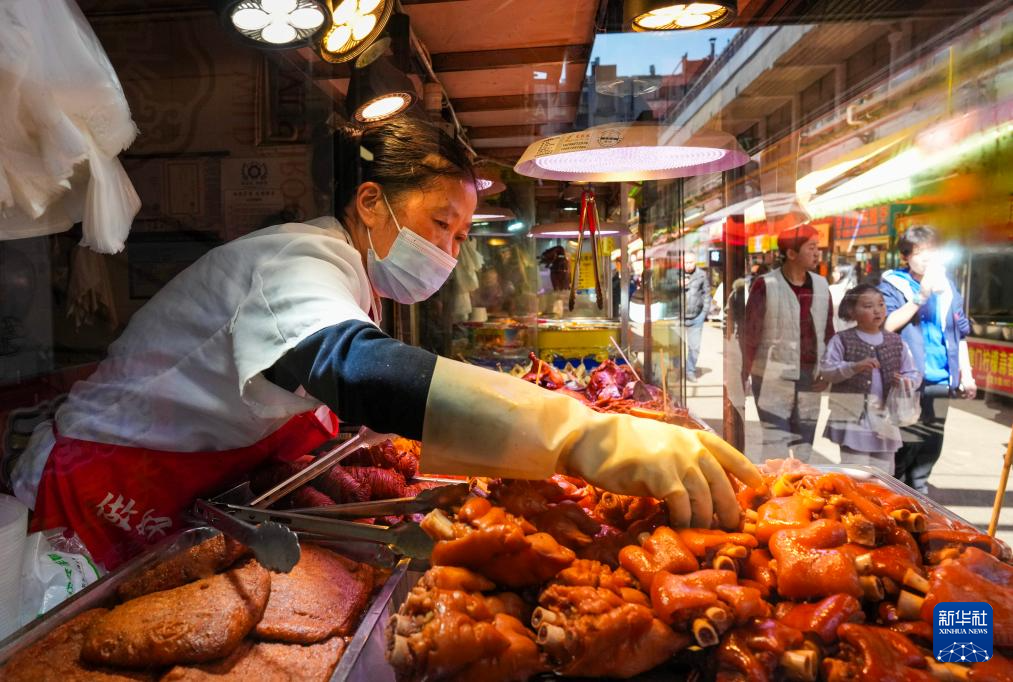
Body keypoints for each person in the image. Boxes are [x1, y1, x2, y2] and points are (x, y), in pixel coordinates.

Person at [6, 117, 760, 568]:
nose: (450, 250)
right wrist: (580, 434)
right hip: (104, 482)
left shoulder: (350, 274)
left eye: (460, 236)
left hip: (188, 477)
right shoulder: (295, 260)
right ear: (370, 201)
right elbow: (352, 367)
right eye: (440, 224)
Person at [878, 226, 975, 493]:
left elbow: (959, 334)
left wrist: (966, 374)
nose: (927, 257)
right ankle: (896, 500)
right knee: (904, 448)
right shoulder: (892, 285)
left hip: (939, 380)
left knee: (930, 448)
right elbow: (887, 324)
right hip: (906, 383)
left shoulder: (948, 287)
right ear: (905, 256)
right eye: (919, 252)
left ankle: (918, 500)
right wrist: (921, 296)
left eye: (932, 250)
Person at [741, 225, 835, 462]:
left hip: (810, 377)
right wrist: (743, 374)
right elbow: (749, 335)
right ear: (791, 253)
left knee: (804, 446)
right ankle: (777, 485)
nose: (817, 253)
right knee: (776, 446)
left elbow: (828, 332)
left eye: (817, 247)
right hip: (772, 378)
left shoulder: (822, 285)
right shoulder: (766, 285)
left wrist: (828, 370)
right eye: (811, 247)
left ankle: (801, 484)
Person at [820, 284, 921, 474]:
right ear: (851, 311)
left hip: (886, 418)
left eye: (881, 304)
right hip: (853, 419)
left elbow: (913, 372)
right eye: (868, 306)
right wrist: (853, 367)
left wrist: (905, 381)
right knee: (854, 471)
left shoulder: (896, 341)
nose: (877, 310)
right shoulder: (842, 340)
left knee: (883, 473)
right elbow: (827, 370)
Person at [682, 252, 709, 382]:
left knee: (694, 347)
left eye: (690, 262)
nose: (688, 265)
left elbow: (707, 295)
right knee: (675, 346)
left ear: (695, 262)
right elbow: (667, 290)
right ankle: (676, 370)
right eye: (686, 262)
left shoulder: (702, 275)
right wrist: (678, 285)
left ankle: (690, 371)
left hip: (696, 317)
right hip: (679, 317)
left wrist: (704, 313)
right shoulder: (677, 274)